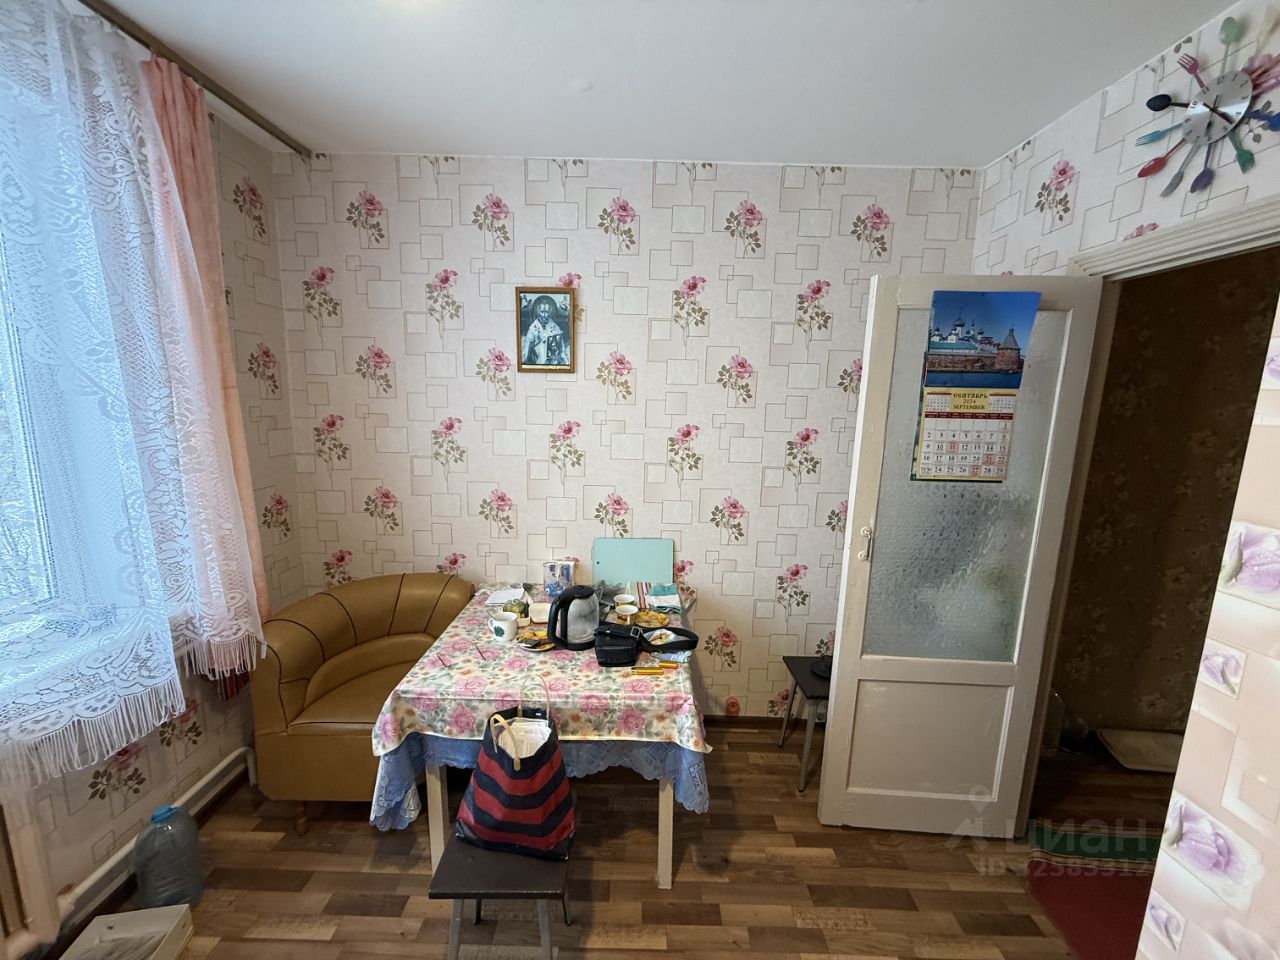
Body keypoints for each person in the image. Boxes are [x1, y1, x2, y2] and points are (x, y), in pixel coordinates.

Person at [522, 295, 568, 366]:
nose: (544, 315)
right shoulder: (532, 328)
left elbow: (561, 350)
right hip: (536, 362)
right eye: (542, 312)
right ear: (538, 312)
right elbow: (526, 350)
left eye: (546, 312)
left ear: (550, 312)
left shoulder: (556, 328)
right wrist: (531, 346)